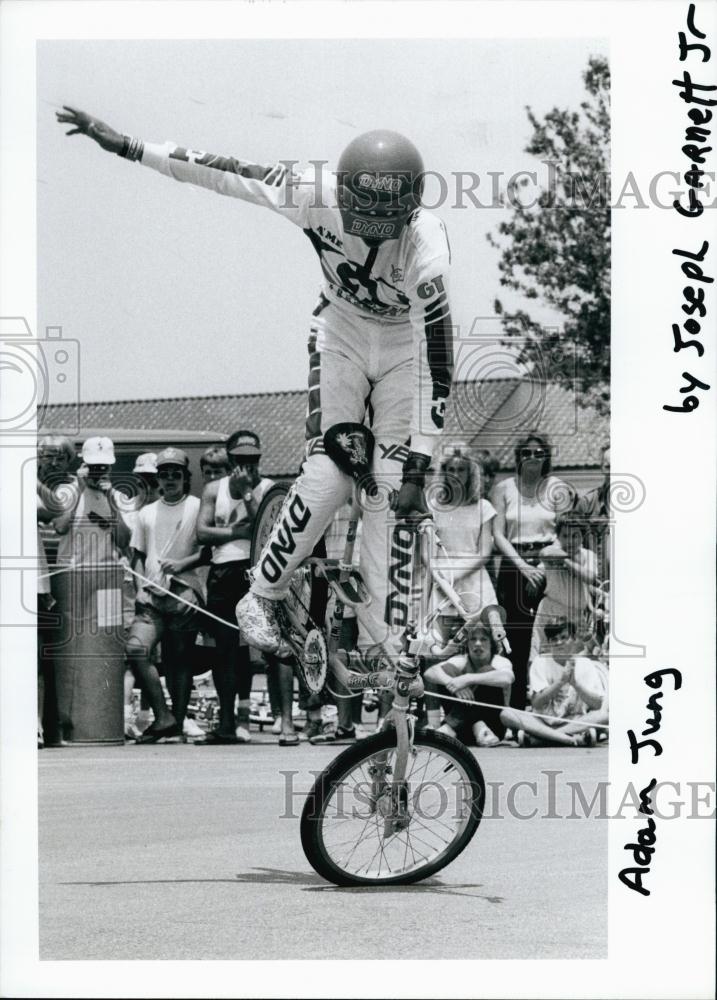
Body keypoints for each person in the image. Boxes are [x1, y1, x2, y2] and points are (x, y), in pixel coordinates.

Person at [56, 108, 454, 665]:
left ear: (409, 210)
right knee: (330, 471)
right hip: (339, 332)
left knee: (388, 491)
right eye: (362, 216)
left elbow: (437, 358)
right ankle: (261, 597)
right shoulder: (310, 194)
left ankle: (381, 637)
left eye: (386, 222)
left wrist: (419, 467)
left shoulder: (426, 246)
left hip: (405, 353)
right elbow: (223, 172)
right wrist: (127, 145)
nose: (371, 232)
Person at [195, 431, 295, 744]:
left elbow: (272, 531)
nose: (246, 467)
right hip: (224, 570)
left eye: (252, 460)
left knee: (275, 644)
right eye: (240, 460)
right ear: (230, 459)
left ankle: (287, 721)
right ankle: (227, 721)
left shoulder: (269, 488)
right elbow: (202, 531)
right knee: (225, 648)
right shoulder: (214, 488)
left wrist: (248, 495)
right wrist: (235, 531)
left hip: (261, 571)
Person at [125, 448, 205, 743]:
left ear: (186, 478)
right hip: (151, 596)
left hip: (184, 594)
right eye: (164, 474)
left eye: (176, 473)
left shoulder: (197, 507)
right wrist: (139, 588)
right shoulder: (146, 512)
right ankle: (164, 717)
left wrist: (184, 567)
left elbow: (207, 550)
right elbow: (137, 554)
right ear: (157, 478)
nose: (170, 479)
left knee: (179, 660)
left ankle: (177, 725)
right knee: (136, 648)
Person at [490, 433, 573, 710]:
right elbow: (498, 535)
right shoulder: (503, 489)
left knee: (552, 634)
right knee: (516, 639)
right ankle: (514, 709)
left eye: (538, 452)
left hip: (549, 564)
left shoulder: (557, 487)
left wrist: (541, 564)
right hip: (514, 566)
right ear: (518, 457)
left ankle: (552, 705)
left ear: (546, 456)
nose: (533, 457)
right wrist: (523, 566)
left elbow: (566, 532)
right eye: (527, 453)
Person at [501, 619, 608, 747]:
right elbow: (536, 702)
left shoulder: (585, 664)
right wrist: (560, 682)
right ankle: (567, 739)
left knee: (604, 716)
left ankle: (544, 738)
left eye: (564, 637)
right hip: (542, 722)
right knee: (506, 714)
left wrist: (576, 684)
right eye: (554, 639)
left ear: (573, 639)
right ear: (549, 643)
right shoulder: (540, 661)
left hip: (575, 722)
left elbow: (597, 705)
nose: (559, 642)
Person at [423, 622, 513, 747]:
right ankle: (476, 725)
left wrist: (468, 679)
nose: (477, 644)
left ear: (492, 643)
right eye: (473, 639)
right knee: (447, 670)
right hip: (463, 729)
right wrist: (452, 683)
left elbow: (508, 678)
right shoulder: (461, 659)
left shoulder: (500, 661)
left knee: (486, 671)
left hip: (492, 729)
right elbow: (430, 672)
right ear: (467, 643)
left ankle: (450, 726)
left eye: (483, 639)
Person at [53, 436, 131, 566]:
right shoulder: (66, 491)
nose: (98, 472)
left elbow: (123, 542)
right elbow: (60, 528)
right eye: (93, 467)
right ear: (83, 466)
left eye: (103, 467)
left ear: (110, 468)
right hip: (71, 571)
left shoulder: (117, 497)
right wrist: (80, 488)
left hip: (104, 572)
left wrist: (111, 501)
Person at [531, 513, 598, 660]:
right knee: (544, 656)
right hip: (551, 611)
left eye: (575, 536)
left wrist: (567, 563)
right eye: (565, 536)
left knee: (576, 659)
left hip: (577, 616)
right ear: (558, 537)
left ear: (582, 537)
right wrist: (565, 558)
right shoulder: (552, 551)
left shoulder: (589, 555)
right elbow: (544, 553)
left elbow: (590, 576)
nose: (570, 541)